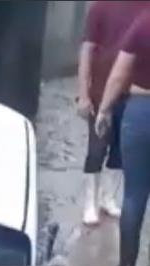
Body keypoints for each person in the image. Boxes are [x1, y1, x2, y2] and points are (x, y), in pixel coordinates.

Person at [77, 1, 149, 226]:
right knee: (96, 149)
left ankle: (107, 197)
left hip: (133, 93)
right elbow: (87, 50)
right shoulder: (100, 6)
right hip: (100, 91)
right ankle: (90, 201)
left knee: (120, 152)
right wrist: (83, 94)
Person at [96, 9, 150, 266]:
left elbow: (119, 74)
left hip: (140, 111)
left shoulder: (144, 22)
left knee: (133, 195)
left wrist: (104, 109)